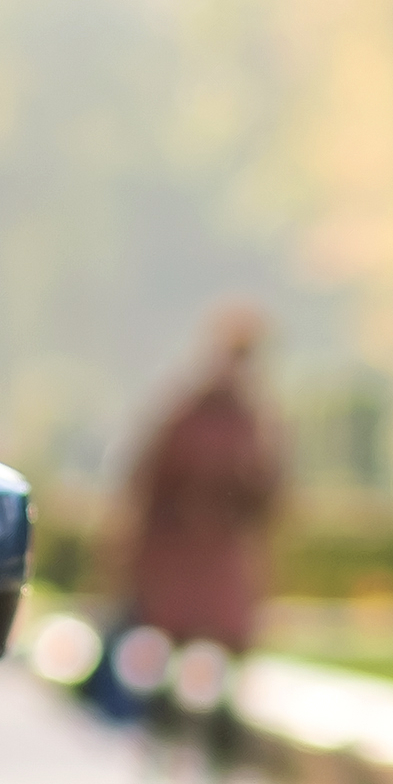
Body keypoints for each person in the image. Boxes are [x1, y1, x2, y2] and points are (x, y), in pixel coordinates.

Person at [108, 306, 284, 757]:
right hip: (178, 551)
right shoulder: (187, 414)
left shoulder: (256, 423)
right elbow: (149, 482)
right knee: (170, 653)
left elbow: (272, 497)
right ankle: (162, 740)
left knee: (221, 657)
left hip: (223, 554)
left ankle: (217, 754)